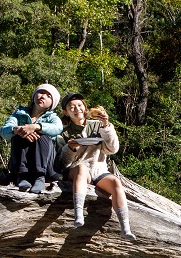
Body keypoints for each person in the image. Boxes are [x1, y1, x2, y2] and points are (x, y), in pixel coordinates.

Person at [58, 93, 135, 239]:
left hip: (98, 169)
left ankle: (125, 227)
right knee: (82, 168)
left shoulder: (97, 125)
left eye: (80, 105)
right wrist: (70, 148)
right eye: (71, 107)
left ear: (85, 107)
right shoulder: (63, 132)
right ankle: (78, 215)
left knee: (116, 182)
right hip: (77, 170)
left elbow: (112, 149)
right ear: (66, 112)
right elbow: (62, 164)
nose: (77, 109)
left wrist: (106, 126)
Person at [0, 84, 63, 193]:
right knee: (18, 135)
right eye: (41, 92)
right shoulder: (19, 114)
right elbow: (3, 132)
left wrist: (36, 127)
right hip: (21, 166)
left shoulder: (52, 117)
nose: (43, 96)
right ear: (34, 96)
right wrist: (17, 130)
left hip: (46, 166)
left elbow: (58, 128)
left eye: (49, 96)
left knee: (41, 135)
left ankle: (39, 177)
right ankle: (22, 176)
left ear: (52, 103)